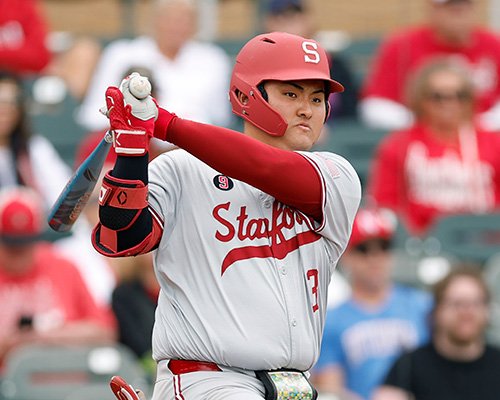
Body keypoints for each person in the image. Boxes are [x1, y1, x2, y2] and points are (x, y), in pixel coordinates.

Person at [92, 31, 361, 400]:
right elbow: (122, 237)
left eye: (317, 98)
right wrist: (131, 155)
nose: (307, 109)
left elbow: (265, 168)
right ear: (245, 96)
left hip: (292, 386)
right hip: (206, 380)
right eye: (291, 94)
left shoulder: (336, 176)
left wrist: (166, 124)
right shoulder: (183, 169)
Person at [367, 58, 500, 236]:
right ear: (420, 100)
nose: (449, 103)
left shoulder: (494, 142)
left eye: (459, 95)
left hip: (487, 241)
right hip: (421, 242)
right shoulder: (398, 145)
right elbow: (386, 206)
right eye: (438, 97)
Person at [311, 208, 432, 400]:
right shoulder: (332, 321)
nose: (375, 258)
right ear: (346, 256)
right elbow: (331, 389)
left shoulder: (421, 305)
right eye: (364, 249)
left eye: (383, 247)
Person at [0, 187, 116, 369]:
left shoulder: (62, 266)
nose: (19, 254)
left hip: (65, 375)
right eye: (11, 246)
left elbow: (104, 331)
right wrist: (10, 342)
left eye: (25, 244)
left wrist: (42, 337)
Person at [77, 0, 232, 133]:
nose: (175, 26)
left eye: (184, 19)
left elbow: (220, 117)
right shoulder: (121, 54)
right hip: (133, 143)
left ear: (195, 24)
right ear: (154, 19)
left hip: (192, 148)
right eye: (168, 18)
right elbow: (94, 114)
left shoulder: (213, 60)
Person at [360, 0, 500, 132]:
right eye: (452, 9)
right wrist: (422, 127)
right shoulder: (402, 45)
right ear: (433, 10)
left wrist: (481, 126)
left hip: (482, 135)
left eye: (464, 7)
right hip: (416, 136)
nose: (459, 15)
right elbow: (375, 106)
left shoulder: (493, 43)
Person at [372, 266, 500, 400]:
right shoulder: (409, 366)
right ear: (437, 311)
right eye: (457, 304)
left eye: (475, 303)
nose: (466, 312)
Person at [263, 0, 358, 119]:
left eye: (295, 14)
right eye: (281, 16)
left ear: (308, 20)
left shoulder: (334, 65)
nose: (289, 22)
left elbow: (351, 115)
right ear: (269, 23)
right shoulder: (260, 66)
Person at [0, 0, 51, 75]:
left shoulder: (21, 4)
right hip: (19, 69)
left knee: (51, 81)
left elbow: (39, 57)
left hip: (21, 77)